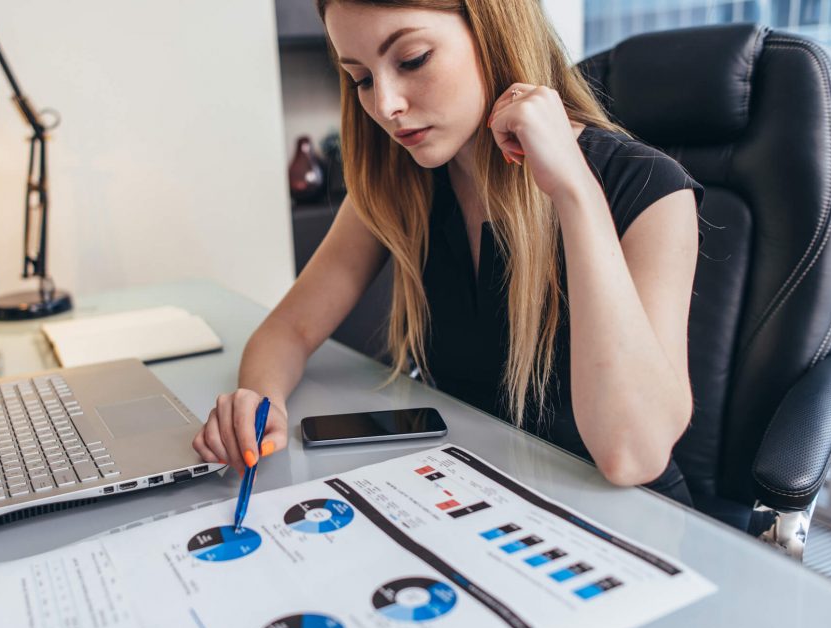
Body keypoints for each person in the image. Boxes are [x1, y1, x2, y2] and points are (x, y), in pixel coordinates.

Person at [192, 0, 703, 503]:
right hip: (481, 496)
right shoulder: (398, 183)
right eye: (362, 79)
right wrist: (258, 401)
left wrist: (574, 190)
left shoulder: (651, 189)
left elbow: (632, 457)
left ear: (492, 29)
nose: (386, 104)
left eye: (412, 60)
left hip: (629, 525)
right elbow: (290, 328)